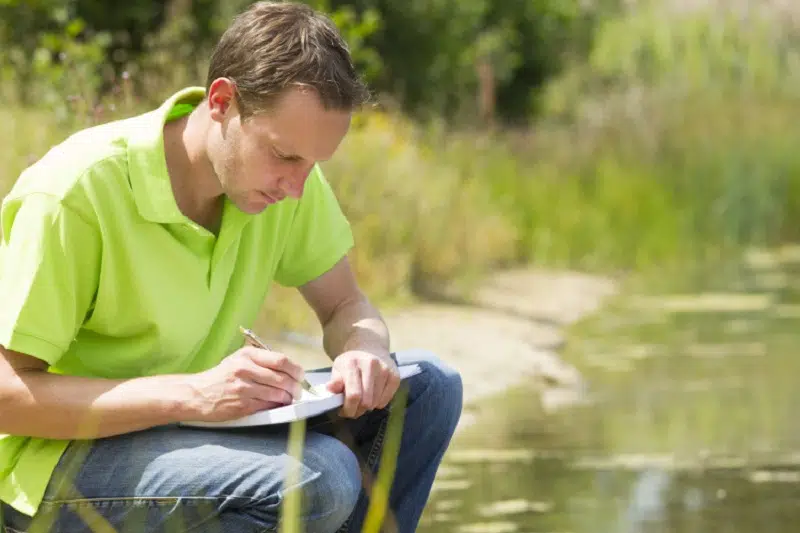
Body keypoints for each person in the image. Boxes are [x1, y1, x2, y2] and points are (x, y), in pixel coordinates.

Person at [0, 2, 463, 532]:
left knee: (430, 386)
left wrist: (365, 350)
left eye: (313, 165)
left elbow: (344, 304)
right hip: (53, 466)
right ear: (222, 102)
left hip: (192, 430)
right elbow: (6, 397)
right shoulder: (75, 194)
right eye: (285, 156)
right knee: (318, 480)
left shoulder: (286, 184)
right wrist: (196, 394)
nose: (296, 187)